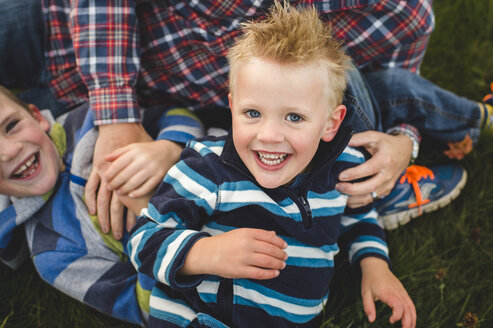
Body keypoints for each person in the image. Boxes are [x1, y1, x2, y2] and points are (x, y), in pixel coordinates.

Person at [0, 0, 439, 236]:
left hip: (168, 105)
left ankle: (366, 201)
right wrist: (115, 117)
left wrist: (404, 143)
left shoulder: (401, 16)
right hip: (50, 24)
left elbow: (393, 90)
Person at [128, 4, 416, 327]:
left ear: (330, 124)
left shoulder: (340, 168)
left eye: (294, 117)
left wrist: (375, 265)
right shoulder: (208, 168)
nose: (269, 136)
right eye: (253, 113)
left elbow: (357, 215)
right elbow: (142, 240)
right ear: (232, 106)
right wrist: (207, 253)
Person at [0, 85, 204, 325]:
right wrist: (150, 222)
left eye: (11, 126)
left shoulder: (94, 118)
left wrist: (171, 147)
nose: (10, 151)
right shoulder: (52, 254)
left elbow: (176, 115)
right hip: (210, 279)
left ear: (37, 116)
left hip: (235, 183)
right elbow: (148, 310)